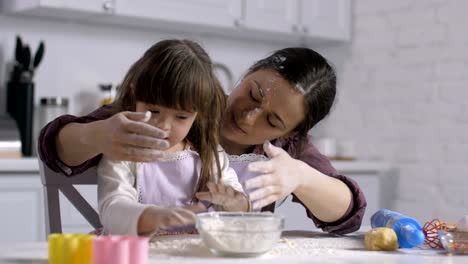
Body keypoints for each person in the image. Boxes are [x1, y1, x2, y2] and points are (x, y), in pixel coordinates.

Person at [39, 43, 366, 235]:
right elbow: (54, 146)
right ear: (247, 73)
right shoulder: (176, 104)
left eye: (272, 120)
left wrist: (301, 176)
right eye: (253, 93)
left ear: (292, 134)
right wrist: (96, 134)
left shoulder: (287, 150)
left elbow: (348, 214)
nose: (248, 116)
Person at [96, 39, 249, 236]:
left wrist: (236, 203)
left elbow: (234, 199)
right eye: (153, 110)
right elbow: (112, 207)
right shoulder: (122, 151)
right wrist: (153, 217)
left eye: (181, 117)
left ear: (198, 114)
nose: (164, 126)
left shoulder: (208, 155)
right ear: (135, 96)